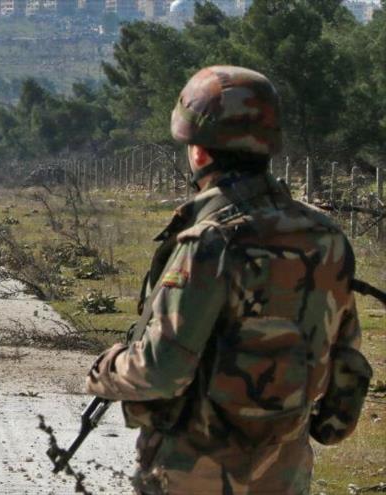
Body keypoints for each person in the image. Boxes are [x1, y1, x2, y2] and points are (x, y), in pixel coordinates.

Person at [85, 66, 372, 495]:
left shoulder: (211, 241)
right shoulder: (324, 235)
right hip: (285, 469)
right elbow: (345, 352)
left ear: (199, 152)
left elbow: (163, 371)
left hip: (194, 471)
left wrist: (105, 369)